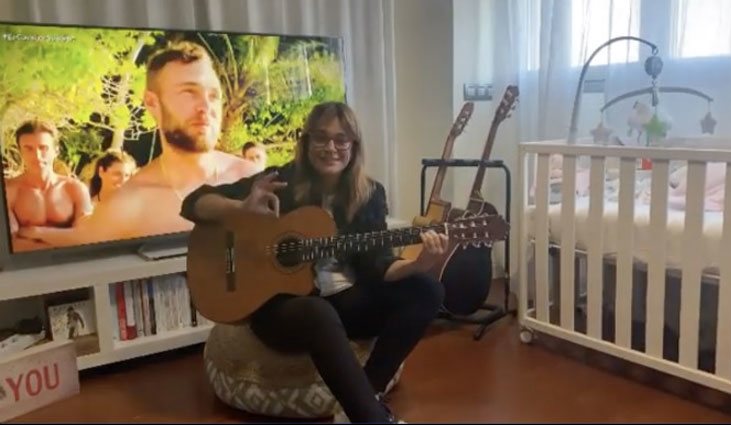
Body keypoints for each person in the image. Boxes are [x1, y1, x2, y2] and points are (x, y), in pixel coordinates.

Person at [180, 101, 447, 423]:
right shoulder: (280, 180)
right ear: (306, 142)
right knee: (316, 311)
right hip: (280, 307)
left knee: (427, 290)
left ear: (354, 146)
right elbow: (193, 202)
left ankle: (362, 398)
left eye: (341, 139)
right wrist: (240, 208)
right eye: (320, 137)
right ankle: (372, 419)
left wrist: (419, 264)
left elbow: (377, 265)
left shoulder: (370, 193)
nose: (330, 147)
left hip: (345, 302)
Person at [18, 41, 261, 247]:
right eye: (189, 93)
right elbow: (81, 240)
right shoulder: (129, 203)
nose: (206, 107)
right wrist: (35, 235)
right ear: (152, 103)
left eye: (213, 95)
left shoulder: (253, 179)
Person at [6, 120, 92, 252]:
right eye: (28, 148)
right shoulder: (9, 191)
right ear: (20, 152)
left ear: (56, 150)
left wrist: (37, 232)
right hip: (28, 267)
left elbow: (85, 238)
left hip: (72, 265)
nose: (37, 156)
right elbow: (10, 245)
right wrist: (66, 241)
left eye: (43, 148)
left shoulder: (75, 189)